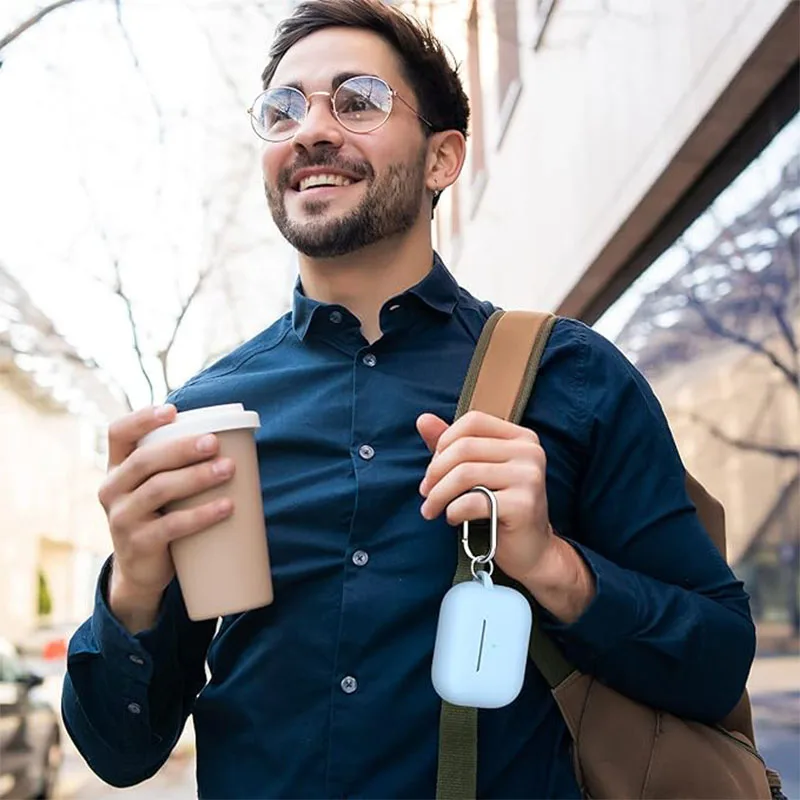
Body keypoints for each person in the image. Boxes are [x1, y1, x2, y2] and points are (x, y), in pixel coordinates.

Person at [62, 1, 757, 797]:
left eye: (356, 101)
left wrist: (554, 568)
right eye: (283, 110)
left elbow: (716, 662)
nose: (310, 131)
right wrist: (133, 587)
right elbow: (121, 755)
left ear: (442, 158)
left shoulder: (573, 376)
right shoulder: (204, 418)